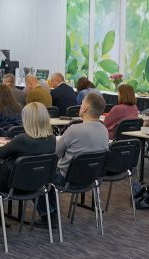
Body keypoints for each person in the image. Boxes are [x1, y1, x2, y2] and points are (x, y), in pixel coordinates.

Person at [43, 91, 114, 223]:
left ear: (85, 107)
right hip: (91, 178)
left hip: (66, 179)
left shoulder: (74, 130)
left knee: (40, 174)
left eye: (82, 103)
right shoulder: (104, 130)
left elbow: (54, 154)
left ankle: (49, 216)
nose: (80, 106)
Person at [0, 102, 56, 190]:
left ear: (27, 120)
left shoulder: (22, 139)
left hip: (13, 184)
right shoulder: (52, 139)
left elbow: (1, 153)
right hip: (38, 183)